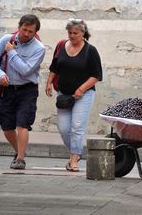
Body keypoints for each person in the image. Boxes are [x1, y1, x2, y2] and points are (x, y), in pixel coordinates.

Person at [0, 14, 45, 170]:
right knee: (6, 126)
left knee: (22, 123)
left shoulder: (39, 48)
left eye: (30, 31)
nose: (26, 34)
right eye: (24, 29)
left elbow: (25, 70)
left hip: (27, 90)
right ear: (19, 27)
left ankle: (20, 159)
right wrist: (0, 74)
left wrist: (11, 52)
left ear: (35, 32)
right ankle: (18, 151)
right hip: (6, 89)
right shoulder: (6, 39)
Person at [45, 18, 102, 172]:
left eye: (75, 33)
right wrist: (49, 82)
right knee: (63, 128)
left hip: (84, 95)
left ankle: (74, 159)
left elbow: (96, 75)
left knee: (77, 127)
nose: (72, 36)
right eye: (69, 33)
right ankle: (76, 151)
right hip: (63, 94)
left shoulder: (91, 51)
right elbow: (54, 66)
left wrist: (81, 89)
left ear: (83, 33)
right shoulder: (62, 46)